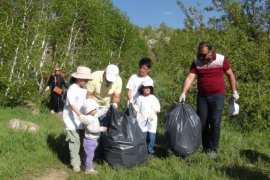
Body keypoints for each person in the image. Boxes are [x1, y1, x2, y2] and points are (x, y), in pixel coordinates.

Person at [179, 42, 239, 158]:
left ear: (211, 52)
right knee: (202, 123)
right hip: (202, 96)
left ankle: (213, 150)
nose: (201, 57)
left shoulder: (221, 59)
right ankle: (205, 148)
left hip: (218, 96)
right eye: (200, 54)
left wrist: (234, 91)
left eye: (204, 55)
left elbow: (230, 74)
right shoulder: (197, 60)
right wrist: (183, 92)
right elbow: (190, 76)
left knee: (215, 122)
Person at [62, 66, 92, 172]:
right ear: (77, 78)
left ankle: (85, 162)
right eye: (83, 79)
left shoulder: (85, 89)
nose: (85, 81)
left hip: (81, 120)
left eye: (87, 79)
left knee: (83, 141)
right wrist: (80, 115)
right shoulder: (72, 88)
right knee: (74, 141)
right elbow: (71, 104)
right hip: (70, 119)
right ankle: (75, 164)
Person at [81, 99, 108, 174]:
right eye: (94, 109)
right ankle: (88, 169)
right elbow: (91, 129)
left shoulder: (94, 115)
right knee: (90, 155)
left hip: (94, 140)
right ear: (89, 110)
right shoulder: (88, 119)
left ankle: (88, 166)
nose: (96, 110)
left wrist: (108, 106)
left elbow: (101, 112)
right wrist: (100, 129)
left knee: (90, 154)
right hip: (89, 141)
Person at [134, 80, 160, 156]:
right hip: (142, 120)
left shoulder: (153, 98)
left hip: (152, 120)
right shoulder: (139, 98)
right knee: (143, 137)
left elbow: (157, 107)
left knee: (151, 137)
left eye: (149, 88)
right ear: (142, 89)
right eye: (145, 88)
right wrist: (137, 115)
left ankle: (150, 152)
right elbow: (136, 108)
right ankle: (142, 152)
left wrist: (152, 114)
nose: (147, 89)